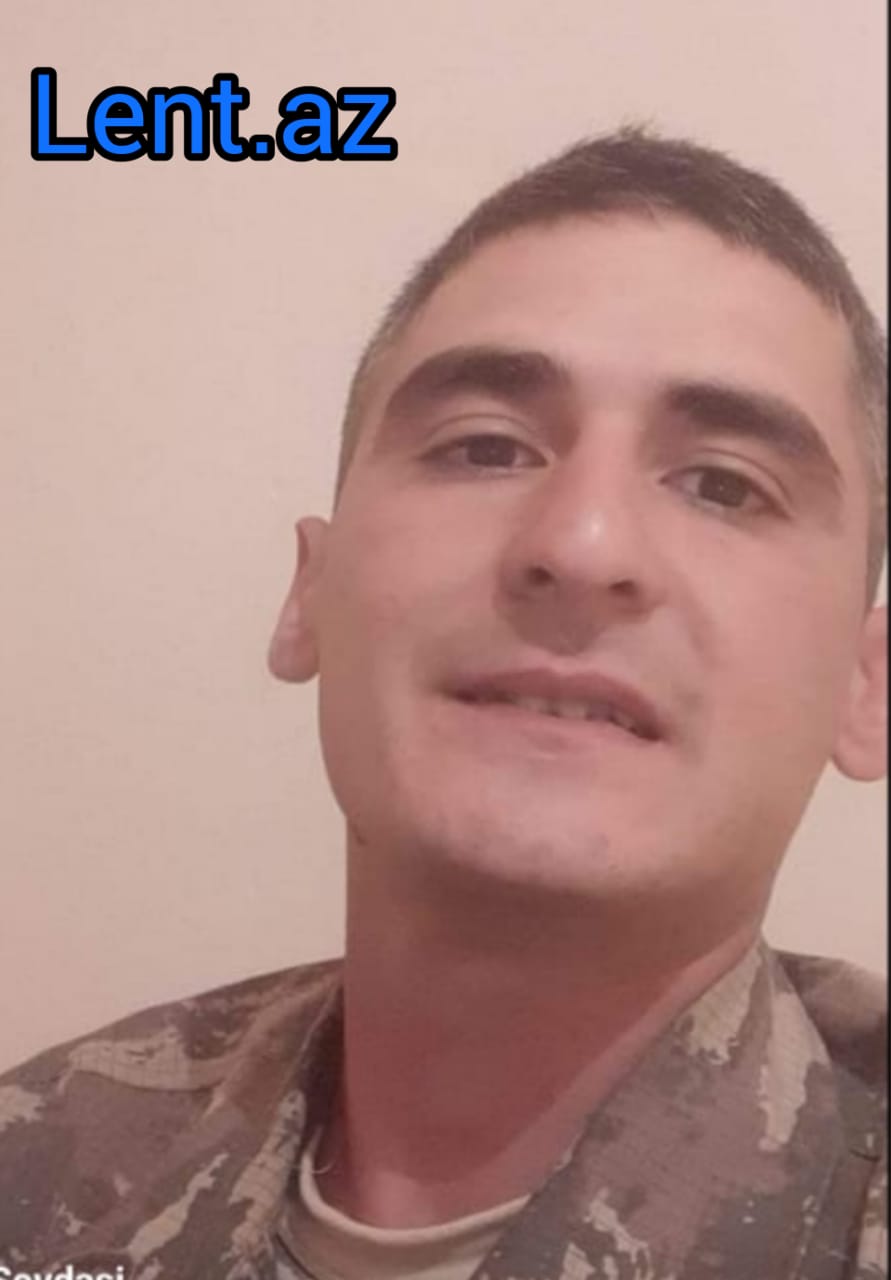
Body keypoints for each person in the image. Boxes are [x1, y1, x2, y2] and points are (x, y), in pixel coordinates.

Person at [0, 126, 886, 1280]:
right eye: (485, 448)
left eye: (724, 484)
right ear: (309, 595)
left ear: (866, 685)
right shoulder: (35, 1165)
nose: (582, 544)